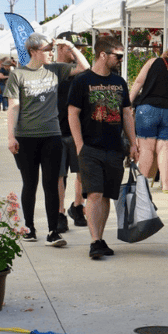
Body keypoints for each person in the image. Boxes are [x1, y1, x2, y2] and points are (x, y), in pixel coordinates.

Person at [67, 35, 139, 260]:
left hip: (114, 148)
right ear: (103, 55)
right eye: (118, 55)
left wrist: (134, 143)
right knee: (95, 194)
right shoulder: (82, 81)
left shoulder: (119, 82)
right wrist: (80, 145)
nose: (120, 59)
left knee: (107, 195)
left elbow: (126, 112)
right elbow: (73, 113)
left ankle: (99, 237)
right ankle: (94, 241)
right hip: (90, 147)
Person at [4, 34, 74, 247]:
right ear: (34, 51)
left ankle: (53, 231)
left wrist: (69, 46)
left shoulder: (55, 70)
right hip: (27, 137)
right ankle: (30, 228)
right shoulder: (18, 75)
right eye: (47, 49)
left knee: (51, 183)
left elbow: (86, 67)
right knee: (30, 183)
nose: (51, 52)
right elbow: (13, 106)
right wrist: (10, 136)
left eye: (52, 48)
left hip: (52, 135)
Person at [130, 46, 168, 193]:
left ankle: (140, 186)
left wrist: (128, 102)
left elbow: (138, 82)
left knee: (146, 149)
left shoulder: (152, 62)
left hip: (147, 109)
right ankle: (166, 185)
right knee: (165, 149)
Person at [53, 39, 90, 232]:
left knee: (81, 171)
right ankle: (60, 212)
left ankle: (77, 206)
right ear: (59, 48)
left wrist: (73, 48)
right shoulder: (52, 69)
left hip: (77, 130)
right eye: (71, 48)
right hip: (57, 130)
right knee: (59, 174)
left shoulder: (76, 72)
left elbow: (85, 66)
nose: (77, 52)